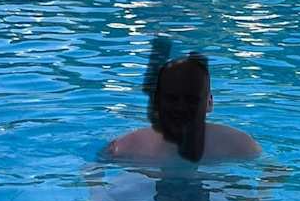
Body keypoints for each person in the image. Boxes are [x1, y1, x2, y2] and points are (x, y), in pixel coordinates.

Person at [107, 52, 260, 163]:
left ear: (209, 103)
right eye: (172, 99)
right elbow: (96, 174)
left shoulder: (239, 145)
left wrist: (262, 195)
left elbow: (270, 172)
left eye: (192, 99)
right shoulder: (125, 147)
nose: (181, 108)